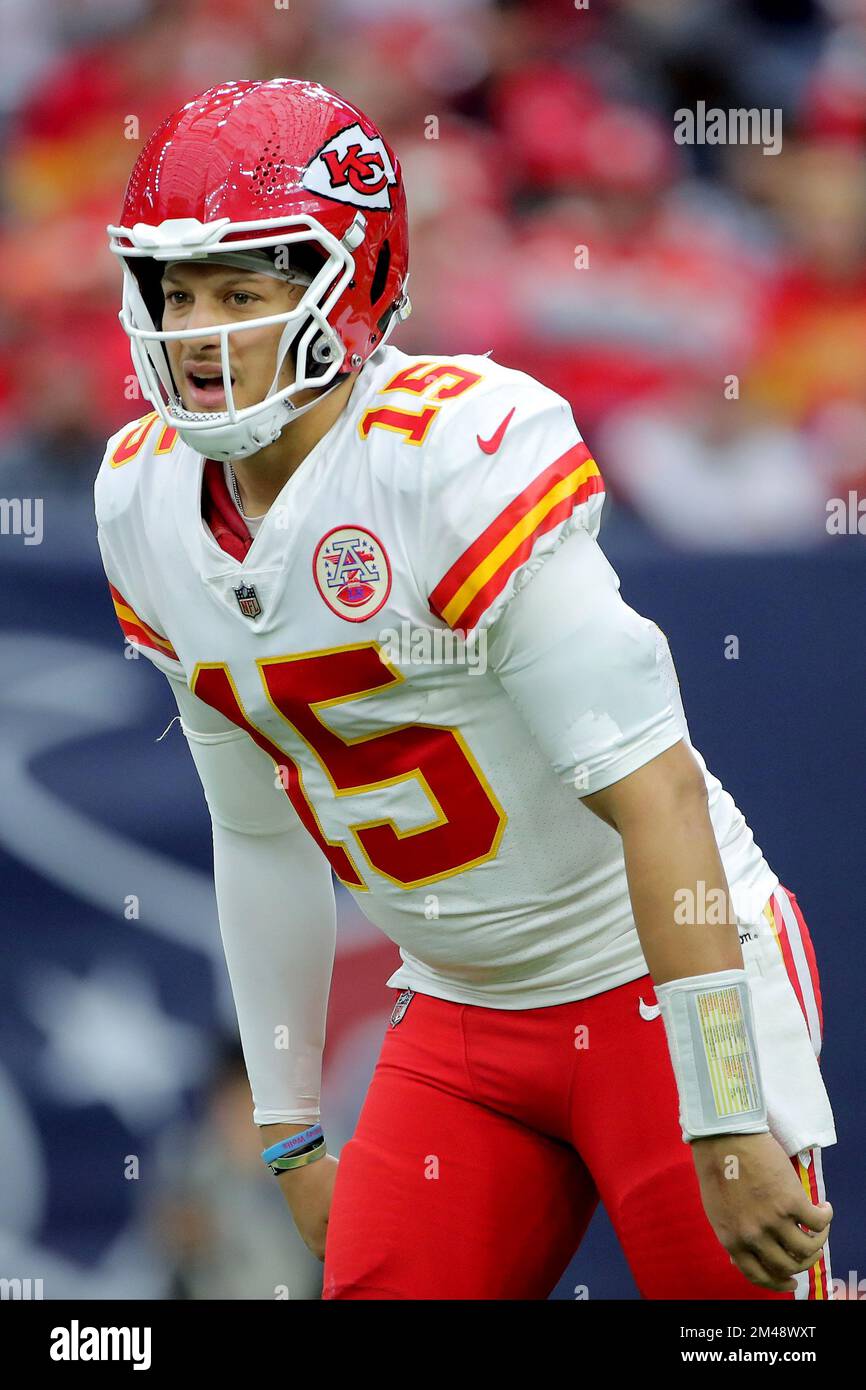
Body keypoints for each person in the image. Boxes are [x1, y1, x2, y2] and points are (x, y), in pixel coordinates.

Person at [95, 78, 836, 1300]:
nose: (197, 333)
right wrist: (287, 1128)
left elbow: (655, 791)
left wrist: (719, 1100)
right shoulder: (145, 502)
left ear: (349, 288)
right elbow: (253, 827)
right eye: (177, 293)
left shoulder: (446, 458)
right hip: (459, 1016)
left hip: (656, 983)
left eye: (240, 293)